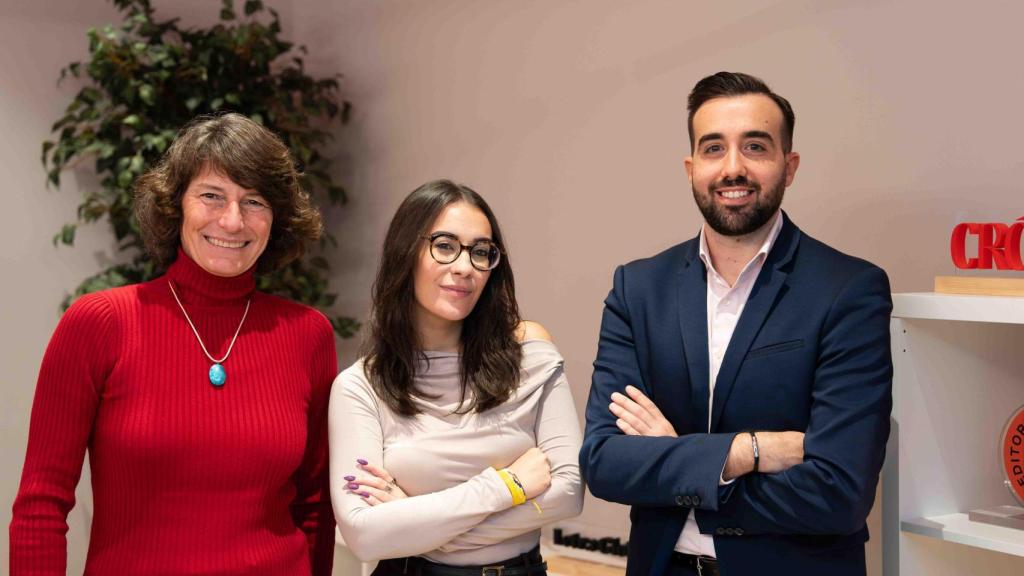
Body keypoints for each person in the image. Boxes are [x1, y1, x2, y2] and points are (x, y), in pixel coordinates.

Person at [579, 72, 893, 576]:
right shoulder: (638, 289)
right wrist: (750, 450)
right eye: (713, 148)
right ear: (690, 168)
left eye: (755, 147)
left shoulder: (848, 290)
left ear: (788, 167)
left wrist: (677, 465)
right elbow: (604, 463)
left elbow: (839, 491)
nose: (733, 168)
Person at [10, 113, 337, 575]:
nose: (232, 219)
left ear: (276, 218)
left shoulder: (308, 334)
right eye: (211, 195)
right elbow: (41, 505)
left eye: (255, 201)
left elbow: (315, 504)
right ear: (176, 204)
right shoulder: (100, 323)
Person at [330, 179, 583, 576]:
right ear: (406, 253)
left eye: (481, 252)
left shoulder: (530, 354)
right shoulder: (360, 387)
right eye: (445, 246)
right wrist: (507, 487)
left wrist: (411, 522)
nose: (465, 267)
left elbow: (568, 493)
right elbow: (364, 535)